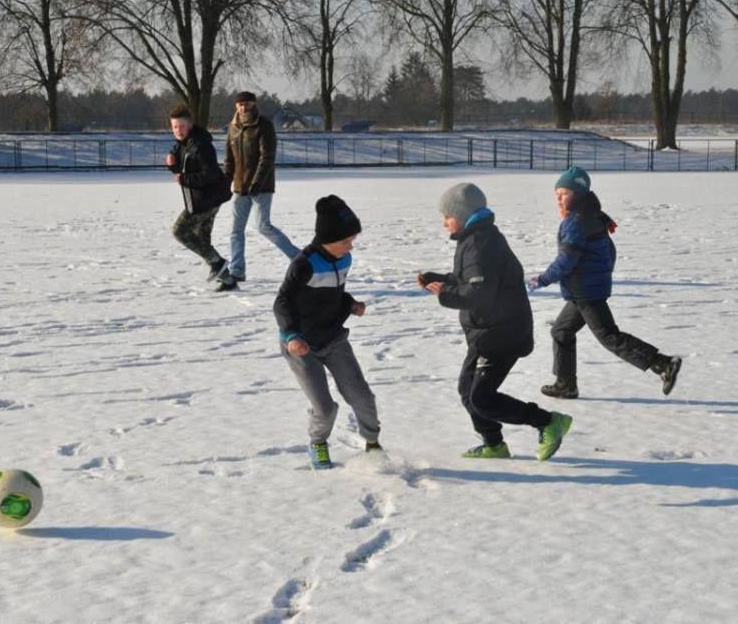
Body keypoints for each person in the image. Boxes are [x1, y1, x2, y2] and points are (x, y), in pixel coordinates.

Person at [417, 183, 572, 461]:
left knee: (482, 398)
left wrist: (445, 294)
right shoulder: (474, 239)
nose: (444, 223)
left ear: (463, 215)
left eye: (447, 216)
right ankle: (494, 445)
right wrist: (438, 278)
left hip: (503, 334)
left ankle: (548, 422)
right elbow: (472, 280)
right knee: (468, 391)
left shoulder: (479, 244)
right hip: (486, 333)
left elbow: (479, 292)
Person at [529, 166, 681, 399]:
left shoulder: (578, 221)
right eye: (557, 193)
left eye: (565, 193)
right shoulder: (592, 215)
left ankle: (662, 364)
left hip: (586, 292)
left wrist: (542, 279)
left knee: (609, 336)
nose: (559, 198)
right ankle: (565, 384)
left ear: (578, 194)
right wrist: (602, 274)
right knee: (561, 331)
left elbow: (567, 259)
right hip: (587, 289)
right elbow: (610, 251)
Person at [274, 195, 380, 470]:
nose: (350, 246)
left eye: (352, 240)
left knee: (362, 396)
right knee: (325, 407)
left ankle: (372, 443)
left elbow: (334, 295)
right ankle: (318, 443)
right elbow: (282, 302)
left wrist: (350, 304)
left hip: (333, 339)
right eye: (346, 241)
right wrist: (291, 337)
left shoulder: (344, 260)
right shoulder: (304, 264)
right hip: (302, 345)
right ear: (327, 239)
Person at [224, 91, 298, 282]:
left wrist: (257, 182)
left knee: (263, 226)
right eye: (240, 104)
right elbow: (229, 158)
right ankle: (237, 270)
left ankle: (299, 258)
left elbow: (267, 157)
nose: (243, 108)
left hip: (261, 187)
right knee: (235, 230)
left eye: (246, 104)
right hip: (240, 187)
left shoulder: (264, 125)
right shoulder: (233, 127)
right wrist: (226, 181)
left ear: (254, 104)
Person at [165, 104, 236, 292]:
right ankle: (228, 279)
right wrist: (173, 166)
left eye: (181, 126)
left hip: (207, 199)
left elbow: (210, 174)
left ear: (189, 125)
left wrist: (184, 178)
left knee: (179, 231)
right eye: (174, 127)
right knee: (203, 240)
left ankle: (217, 262)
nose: (178, 131)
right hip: (203, 198)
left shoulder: (200, 145)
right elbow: (182, 170)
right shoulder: (183, 145)